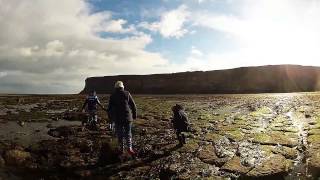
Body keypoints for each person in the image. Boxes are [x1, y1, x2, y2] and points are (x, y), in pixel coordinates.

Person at [107, 81, 137, 156]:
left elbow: (109, 109)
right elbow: (133, 105)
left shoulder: (112, 95)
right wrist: (134, 116)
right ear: (122, 87)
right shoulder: (127, 93)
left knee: (120, 134)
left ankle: (121, 149)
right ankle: (129, 148)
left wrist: (110, 119)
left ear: (115, 88)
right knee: (128, 133)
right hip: (128, 117)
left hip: (117, 118)